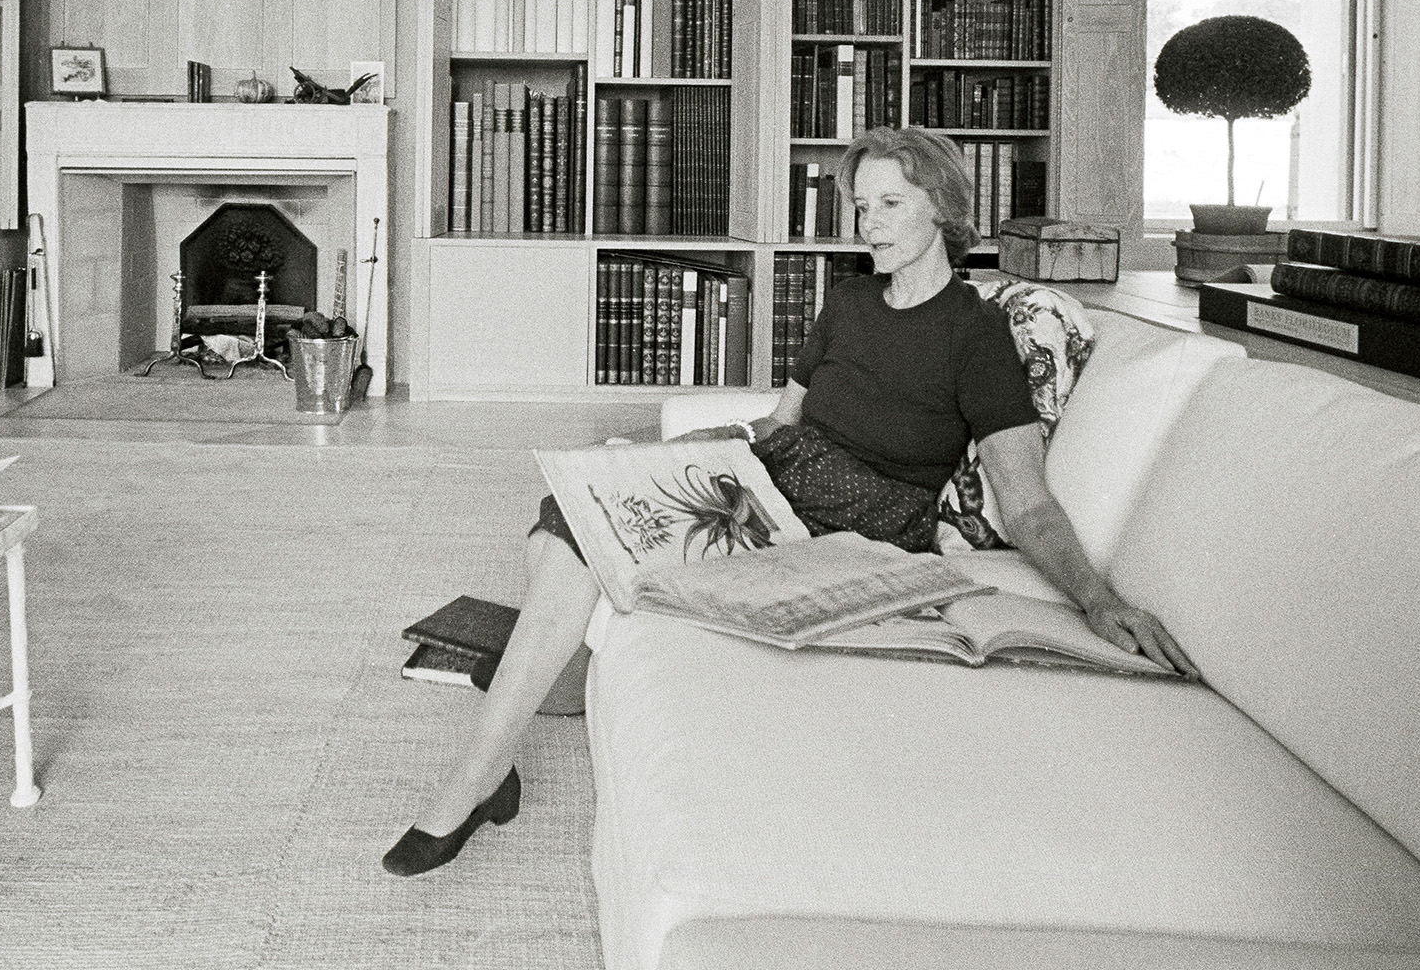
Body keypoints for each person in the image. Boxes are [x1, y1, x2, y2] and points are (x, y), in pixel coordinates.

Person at [383, 125, 1198, 877]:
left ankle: (469, 781)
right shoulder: (845, 301)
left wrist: (1096, 598)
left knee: (583, 537)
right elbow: (778, 423)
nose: (869, 224)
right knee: (572, 512)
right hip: (773, 481)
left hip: (863, 521)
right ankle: (497, 755)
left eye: (890, 204)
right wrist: (673, 457)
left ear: (945, 210)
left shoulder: (975, 334)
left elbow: (1024, 498)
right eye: (861, 206)